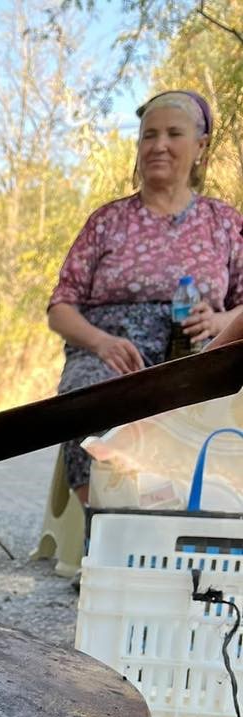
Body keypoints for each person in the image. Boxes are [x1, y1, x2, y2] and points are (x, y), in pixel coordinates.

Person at [47, 89, 243, 501]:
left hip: (199, 355)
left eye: (174, 133)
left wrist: (222, 320)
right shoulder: (108, 220)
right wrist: (101, 343)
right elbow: (60, 308)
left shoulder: (224, 222)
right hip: (113, 356)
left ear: (200, 147)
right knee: (90, 394)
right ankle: (104, 521)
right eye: (149, 135)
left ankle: (209, 518)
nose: (159, 145)